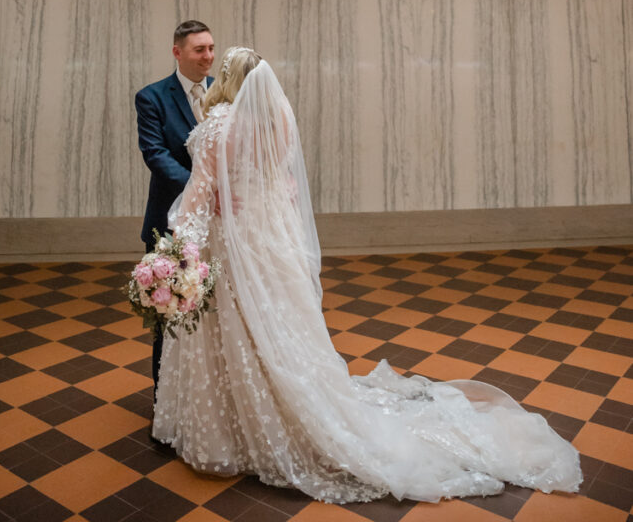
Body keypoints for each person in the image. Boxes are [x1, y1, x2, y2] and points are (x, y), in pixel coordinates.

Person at [153, 48, 582, 504]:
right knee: (278, 330)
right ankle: (286, 413)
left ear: (227, 77)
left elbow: (199, 195)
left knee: (233, 331)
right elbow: (286, 187)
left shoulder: (217, 126)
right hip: (267, 245)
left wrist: (177, 247)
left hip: (231, 247)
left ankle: (231, 431)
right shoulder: (276, 122)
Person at [135, 20, 215, 394]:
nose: (208, 57)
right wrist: (202, 190)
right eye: (200, 50)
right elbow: (156, 155)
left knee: (214, 313)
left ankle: (206, 395)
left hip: (219, 224)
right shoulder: (152, 97)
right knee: (168, 312)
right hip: (170, 221)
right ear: (177, 52)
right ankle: (163, 397)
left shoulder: (223, 93)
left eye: (211, 48)